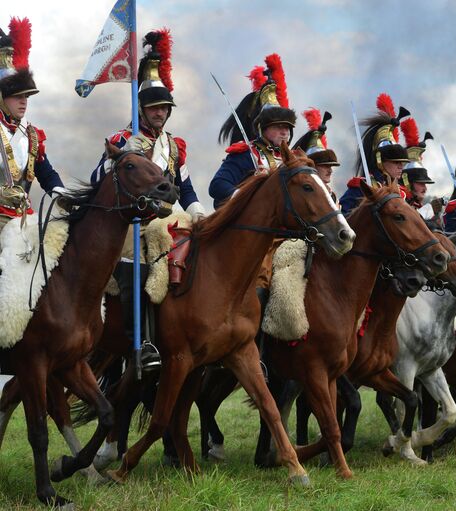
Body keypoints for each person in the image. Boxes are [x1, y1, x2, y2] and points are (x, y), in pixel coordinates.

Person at [90, 30, 205, 370]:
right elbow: (98, 179)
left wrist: (198, 210)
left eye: (165, 107)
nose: (160, 113)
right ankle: (138, 340)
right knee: (131, 262)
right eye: (154, 107)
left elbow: (185, 186)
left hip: (170, 217)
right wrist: (125, 154)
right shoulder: (123, 138)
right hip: (133, 220)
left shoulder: (173, 145)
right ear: (141, 107)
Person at [0, 17, 66, 232]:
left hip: (23, 216)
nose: (23, 101)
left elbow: (46, 173)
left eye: (26, 96)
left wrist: (60, 192)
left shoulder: (31, 134)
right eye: (16, 96)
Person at [209, 53, 296, 208]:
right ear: (262, 129)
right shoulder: (246, 154)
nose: (285, 132)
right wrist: (246, 194)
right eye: (278, 127)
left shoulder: (294, 160)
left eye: (287, 127)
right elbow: (218, 185)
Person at [338, 93, 410, 215]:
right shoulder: (361, 187)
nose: (401, 166)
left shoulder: (400, 193)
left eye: (402, 162)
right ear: (380, 160)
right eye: (395, 162)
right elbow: (344, 218)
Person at [292, 108, 340, 203]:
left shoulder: (332, 196)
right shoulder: (299, 193)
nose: (330, 170)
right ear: (311, 166)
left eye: (330, 166)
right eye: (325, 166)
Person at [400, 117, 441, 220]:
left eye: (425, 184)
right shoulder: (398, 200)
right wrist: (429, 210)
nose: (425, 188)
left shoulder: (418, 206)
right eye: (421, 183)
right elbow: (405, 223)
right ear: (407, 181)